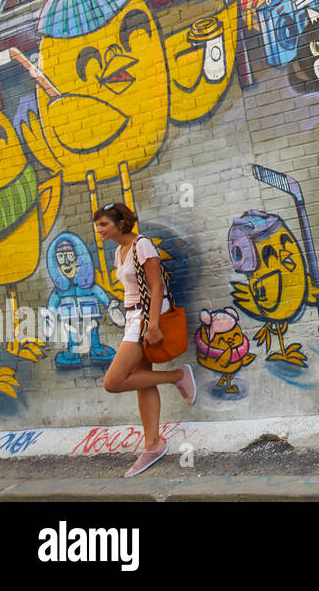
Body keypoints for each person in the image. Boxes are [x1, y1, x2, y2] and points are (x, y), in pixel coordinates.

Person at [95, 203, 195, 477]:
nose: (99, 229)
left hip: (144, 319)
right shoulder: (119, 251)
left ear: (120, 223)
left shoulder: (142, 245)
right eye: (98, 225)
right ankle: (153, 444)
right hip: (131, 317)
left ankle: (177, 375)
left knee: (113, 382)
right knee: (141, 381)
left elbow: (157, 286)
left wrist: (151, 325)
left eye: (104, 224)